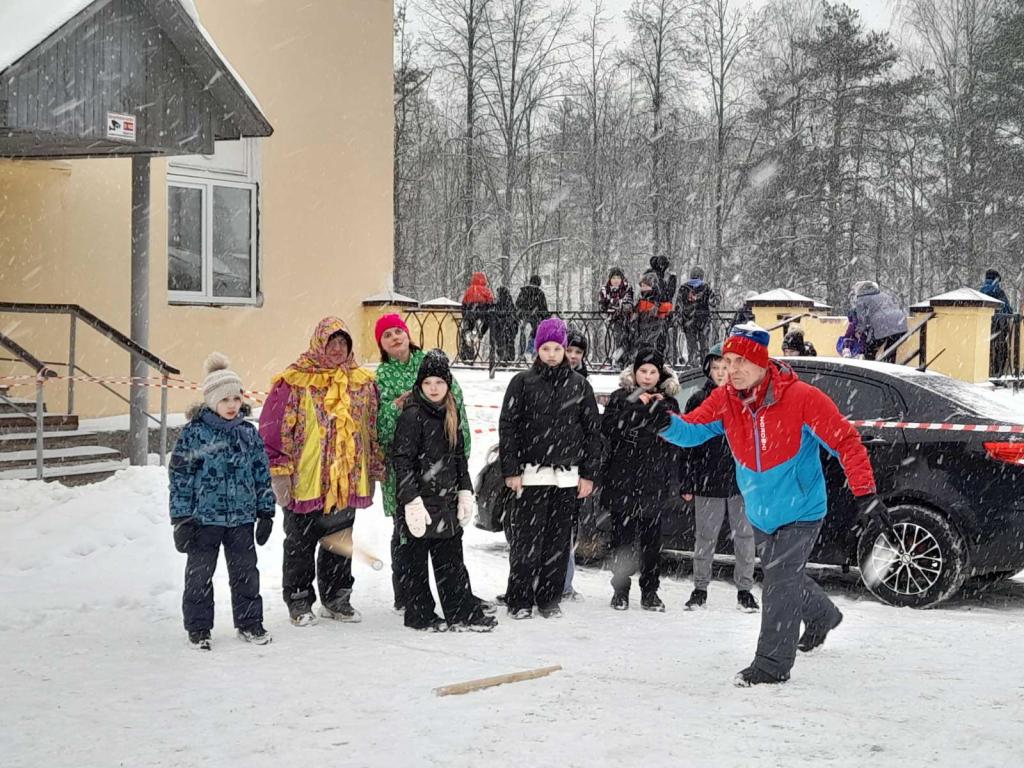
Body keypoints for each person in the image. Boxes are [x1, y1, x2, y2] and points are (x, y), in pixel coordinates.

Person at [648, 323, 887, 686]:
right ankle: (822, 615)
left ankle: (772, 665)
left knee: (778, 579)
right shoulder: (725, 398)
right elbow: (692, 430)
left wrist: (865, 492)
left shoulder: (802, 397)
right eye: (728, 361)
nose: (733, 369)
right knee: (784, 575)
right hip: (760, 511)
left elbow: (846, 442)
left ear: (762, 362)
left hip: (802, 510)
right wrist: (662, 423)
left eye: (742, 361)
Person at [259, 317, 385, 627]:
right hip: (306, 479)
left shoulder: (362, 382)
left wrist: (377, 463)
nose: (338, 349)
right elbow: (274, 429)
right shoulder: (294, 381)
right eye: (332, 343)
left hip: (345, 479)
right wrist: (279, 471)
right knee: (300, 545)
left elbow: (373, 427)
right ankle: (299, 601)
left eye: (344, 343)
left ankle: (337, 597)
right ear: (319, 344)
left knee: (340, 541)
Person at [374, 313, 479, 617]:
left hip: (442, 467)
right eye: (387, 335)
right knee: (407, 534)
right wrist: (398, 406)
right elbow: (379, 427)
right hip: (405, 469)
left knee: (448, 537)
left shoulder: (433, 365)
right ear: (381, 344)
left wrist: (462, 472)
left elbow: (456, 412)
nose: (395, 338)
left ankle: (459, 596)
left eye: (398, 331)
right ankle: (408, 596)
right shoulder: (381, 377)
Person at [170, 353, 274, 650]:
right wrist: (181, 518)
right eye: (225, 399)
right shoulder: (194, 434)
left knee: (246, 574)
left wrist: (265, 511)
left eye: (236, 398)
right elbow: (180, 477)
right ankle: (199, 628)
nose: (232, 405)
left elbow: (261, 473)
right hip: (204, 520)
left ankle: (250, 622)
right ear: (211, 400)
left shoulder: (247, 434)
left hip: (241, 518)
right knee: (200, 576)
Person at [499, 317, 601, 619]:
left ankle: (549, 599)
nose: (553, 353)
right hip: (531, 475)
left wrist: (588, 475)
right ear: (537, 350)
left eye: (558, 347)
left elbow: (592, 433)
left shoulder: (580, 385)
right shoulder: (522, 382)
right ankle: (519, 599)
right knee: (526, 541)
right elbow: (509, 428)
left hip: (567, 479)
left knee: (557, 542)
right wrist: (511, 470)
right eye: (547, 348)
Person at [392, 350, 499, 632]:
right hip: (419, 503)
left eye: (439, 383)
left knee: (451, 562)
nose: (434, 388)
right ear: (420, 385)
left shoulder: (451, 414)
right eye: (428, 383)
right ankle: (420, 615)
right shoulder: (412, 416)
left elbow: (459, 458)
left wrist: (465, 491)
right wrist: (411, 500)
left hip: (446, 501)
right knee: (415, 563)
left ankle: (460, 611)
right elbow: (401, 461)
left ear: (448, 385)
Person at [601, 347, 681, 611]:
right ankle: (620, 590)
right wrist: (635, 405)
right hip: (623, 477)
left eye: (652, 372)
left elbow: (671, 435)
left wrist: (654, 407)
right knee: (622, 540)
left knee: (651, 543)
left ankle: (650, 592)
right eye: (643, 371)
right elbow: (610, 428)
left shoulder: (668, 401)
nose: (647, 376)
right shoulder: (619, 397)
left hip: (653, 479)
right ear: (634, 373)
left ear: (660, 374)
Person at [679, 344, 758, 613]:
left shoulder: (747, 397)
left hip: (742, 482)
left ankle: (745, 590)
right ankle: (700, 588)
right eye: (716, 368)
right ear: (708, 370)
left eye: (726, 367)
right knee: (705, 537)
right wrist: (687, 481)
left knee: (745, 538)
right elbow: (688, 444)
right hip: (707, 480)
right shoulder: (699, 400)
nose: (721, 373)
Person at [563, 329, 590, 601]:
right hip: (549, 465)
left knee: (568, 529)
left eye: (578, 353)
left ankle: (565, 585)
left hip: (574, 466)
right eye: (569, 350)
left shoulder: (584, 383)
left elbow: (589, 429)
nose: (572, 356)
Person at [851, 280, 907, 362]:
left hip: (882, 324)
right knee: (890, 350)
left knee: (870, 350)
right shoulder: (884, 295)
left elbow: (861, 318)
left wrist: (859, 331)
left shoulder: (862, 298)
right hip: (900, 323)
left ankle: (868, 371)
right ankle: (889, 369)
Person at [675, 266, 718, 367]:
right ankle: (705, 366)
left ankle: (693, 367)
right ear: (701, 276)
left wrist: (679, 320)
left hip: (688, 321)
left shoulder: (683, 288)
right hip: (703, 320)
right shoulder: (706, 287)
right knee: (704, 345)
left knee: (691, 346)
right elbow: (714, 303)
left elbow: (678, 306)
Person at [980, 269, 1013, 377]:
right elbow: (1007, 310)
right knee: (1001, 352)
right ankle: (997, 375)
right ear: (997, 279)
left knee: (985, 350)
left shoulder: (980, 291)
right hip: (1000, 326)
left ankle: (984, 374)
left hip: (984, 326)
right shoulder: (999, 292)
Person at [598, 267, 635, 365]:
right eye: (613, 278)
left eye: (618, 278)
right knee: (614, 341)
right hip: (611, 321)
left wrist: (613, 303)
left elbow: (629, 305)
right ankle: (616, 360)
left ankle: (621, 360)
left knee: (627, 340)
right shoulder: (605, 289)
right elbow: (602, 307)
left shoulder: (627, 288)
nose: (616, 280)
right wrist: (618, 304)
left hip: (628, 320)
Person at [460, 272, 495, 361]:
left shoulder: (470, 290)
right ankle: (480, 334)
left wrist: (465, 315)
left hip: (471, 312)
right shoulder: (486, 290)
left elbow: (463, 303)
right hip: (482, 312)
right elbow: (491, 303)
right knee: (487, 323)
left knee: (468, 328)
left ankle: (466, 350)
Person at [515, 274, 550, 356]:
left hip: (524, 317)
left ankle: (521, 354)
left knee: (523, 333)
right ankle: (530, 351)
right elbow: (543, 308)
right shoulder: (540, 293)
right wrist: (547, 318)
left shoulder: (524, 291)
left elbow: (517, 304)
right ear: (539, 283)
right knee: (535, 333)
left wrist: (523, 310)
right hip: (535, 317)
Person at [636, 272, 668, 354]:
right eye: (642, 286)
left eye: (645, 286)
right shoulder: (641, 298)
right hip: (643, 328)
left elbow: (663, 311)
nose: (643, 288)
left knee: (648, 345)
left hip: (651, 328)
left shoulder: (657, 298)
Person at [492, 286, 519, 363]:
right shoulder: (509, 302)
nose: (497, 295)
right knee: (509, 343)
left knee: (501, 343)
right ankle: (508, 358)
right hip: (510, 328)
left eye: (498, 294)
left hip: (503, 328)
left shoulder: (500, 303)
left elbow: (499, 314)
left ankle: (503, 358)